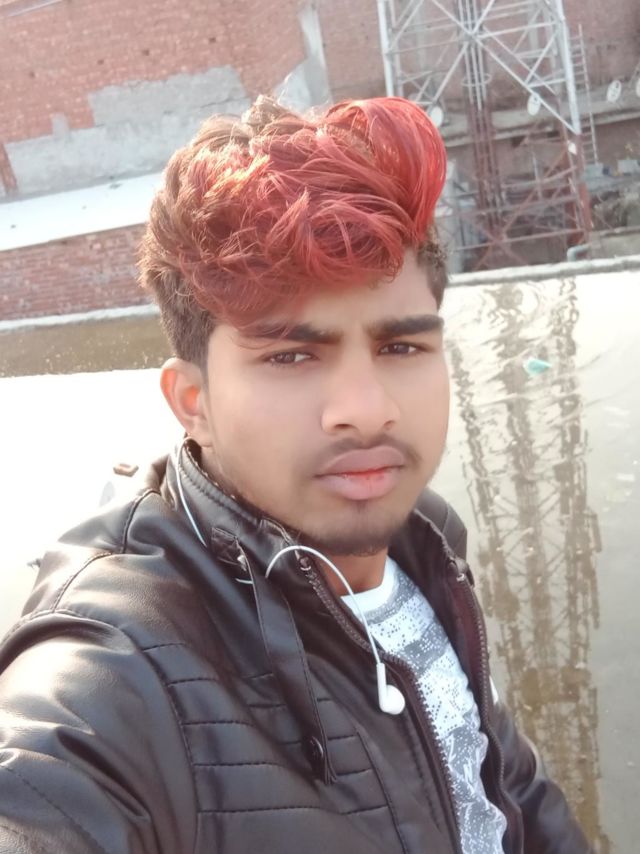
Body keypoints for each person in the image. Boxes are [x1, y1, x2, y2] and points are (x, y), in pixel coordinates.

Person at [0, 96, 591, 854]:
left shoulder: (425, 542)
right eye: (291, 356)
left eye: (401, 347)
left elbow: (502, 781)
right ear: (193, 403)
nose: (366, 411)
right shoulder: (116, 666)